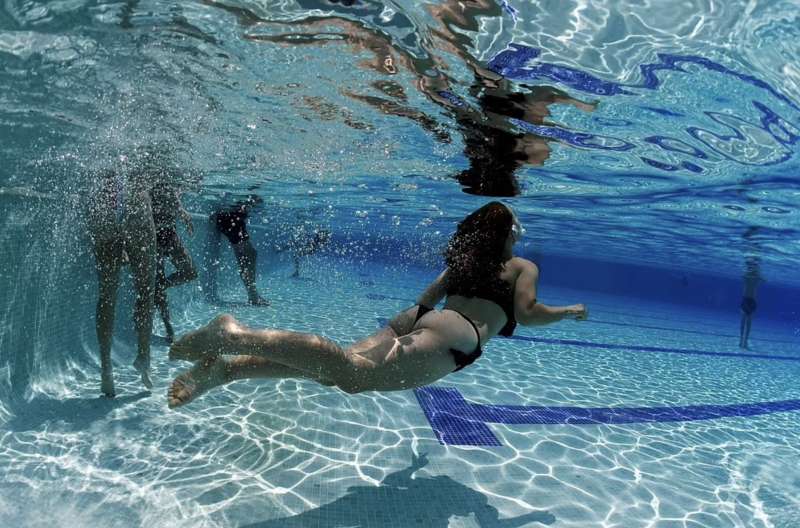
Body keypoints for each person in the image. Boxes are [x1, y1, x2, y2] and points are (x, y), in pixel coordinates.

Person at [166, 202, 587, 408]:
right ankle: (234, 335)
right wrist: (568, 312)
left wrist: (418, 324)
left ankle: (227, 369)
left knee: (336, 370)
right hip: (458, 335)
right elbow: (528, 315)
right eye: (517, 228)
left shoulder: (464, 261)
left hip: (423, 317)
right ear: (509, 232)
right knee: (351, 376)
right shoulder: (520, 265)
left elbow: (429, 299)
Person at [86, 157, 156, 397]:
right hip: (137, 203)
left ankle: (106, 369)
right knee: (146, 289)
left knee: (107, 295)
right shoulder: (148, 155)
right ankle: (143, 357)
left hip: (104, 201)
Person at [151, 182, 198, 342]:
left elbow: (173, 198)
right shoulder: (155, 179)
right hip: (152, 234)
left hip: (169, 233)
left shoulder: (174, 183)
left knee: (190, 272)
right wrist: (182, 212)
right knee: (158, 279)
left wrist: (182, 213)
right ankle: (167, 325)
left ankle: (160, 286)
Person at [211, 197, 269, 306]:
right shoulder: (246, 198)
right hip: (232, 221)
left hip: (232, 221)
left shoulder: (243, 201)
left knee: (245, 259)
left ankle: (253, 295)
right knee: (248, 257)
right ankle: (253, 296)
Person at [739, 256, 762, 349]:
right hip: (746, 300)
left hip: (752, 301)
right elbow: (744, 275)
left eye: (755, 266)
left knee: (748, 323)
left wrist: (755, 269)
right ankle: (741, 340)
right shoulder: (747, 276)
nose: (753, 268)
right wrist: (750, 268)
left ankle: (745, 342)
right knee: (743, 322)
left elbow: (763, 279)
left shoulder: (757, 278)